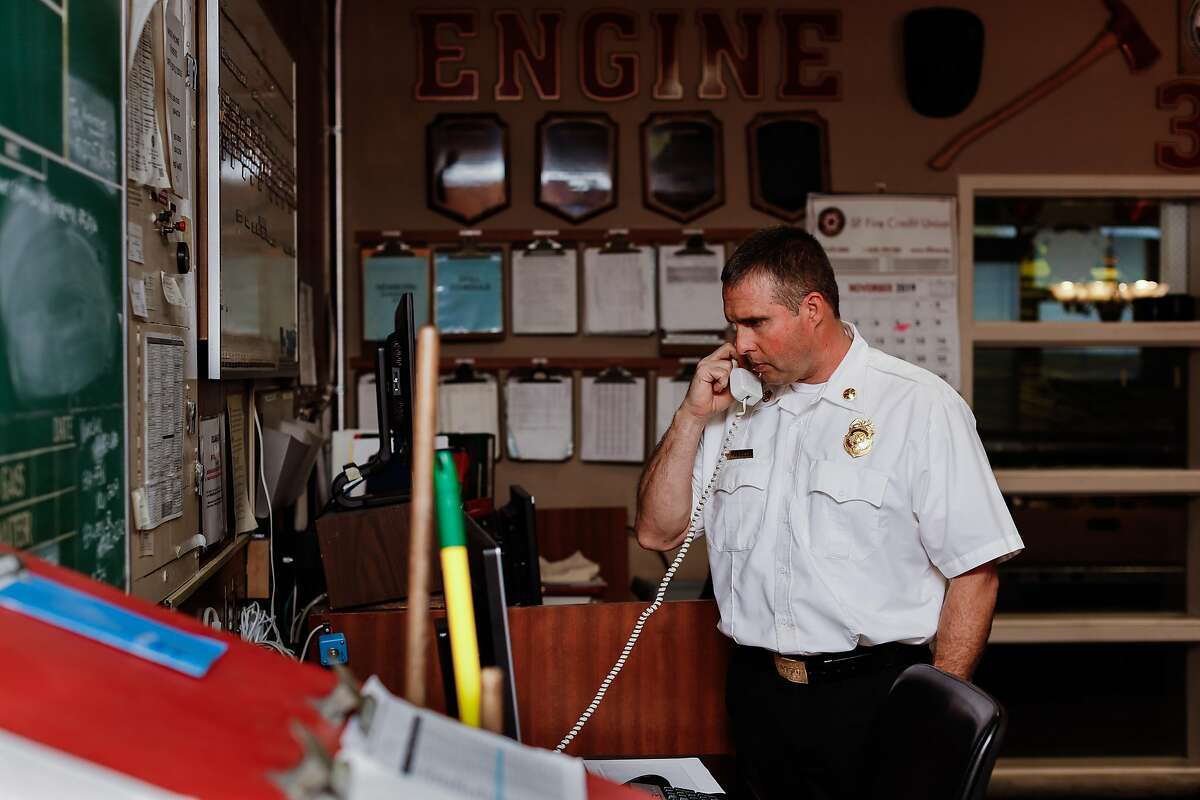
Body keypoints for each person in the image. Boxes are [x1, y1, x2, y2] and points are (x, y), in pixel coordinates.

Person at [634, 226, 1022, 799]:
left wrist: (938, 707)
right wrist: (691, 418)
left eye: (756, 323)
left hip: (875, 692)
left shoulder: (917, 404)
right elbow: (655, 531)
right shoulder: (733, 407)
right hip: (758, 688)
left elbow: (975, 569)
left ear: (812, 309)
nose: (739, 344)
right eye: (733, 325)